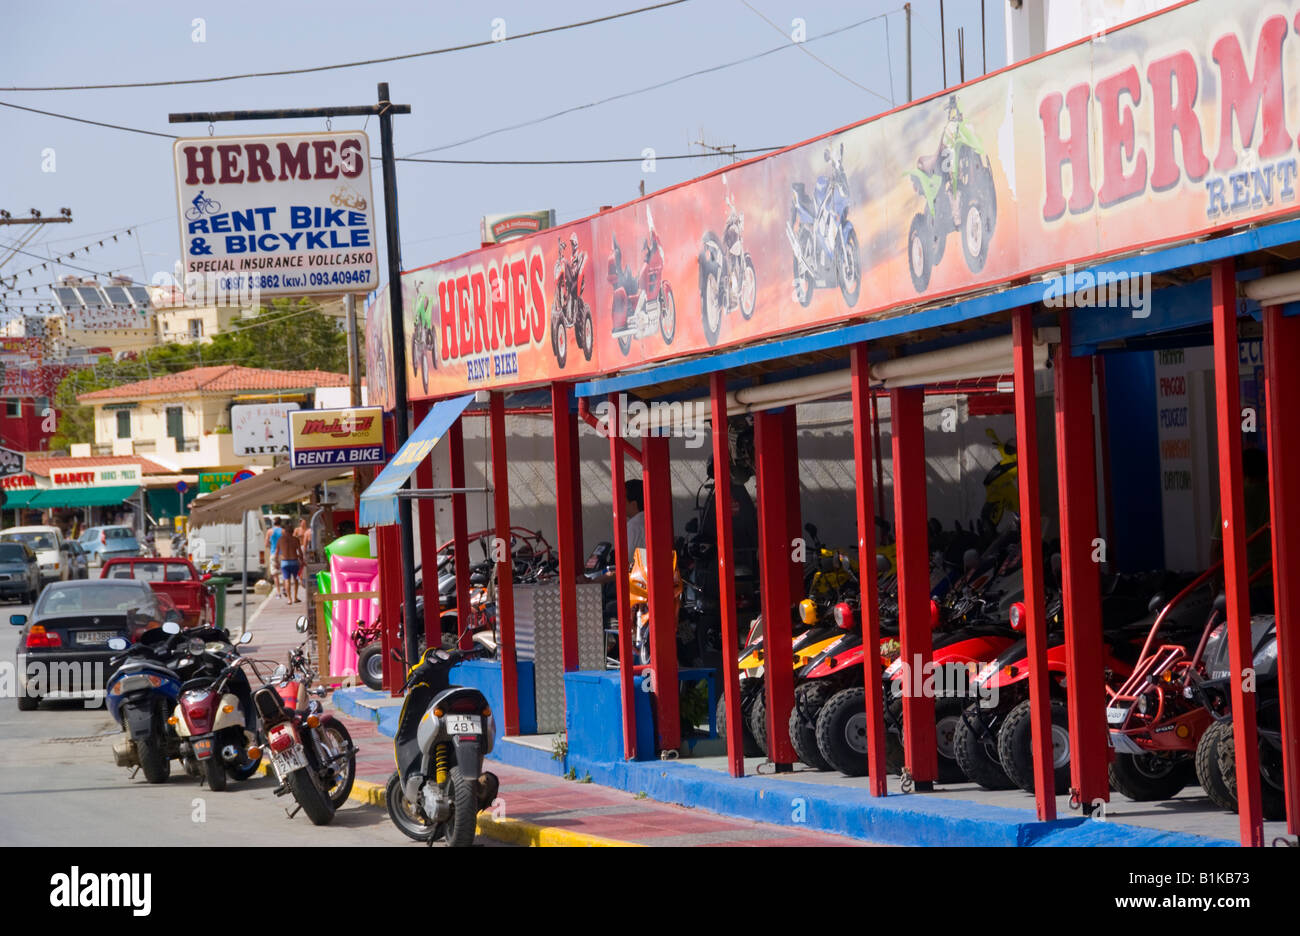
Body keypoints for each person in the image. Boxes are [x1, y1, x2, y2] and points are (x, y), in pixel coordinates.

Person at [276, 519, 304, 603]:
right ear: (292, 532)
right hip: (294, 561)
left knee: (286, 580)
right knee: (295, 579)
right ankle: (295, 597)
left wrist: (276, 562)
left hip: (284, 562)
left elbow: (276, 553)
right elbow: (300, 551)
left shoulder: (280, 540)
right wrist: (301, 560)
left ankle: (289, 599)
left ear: (285, 532)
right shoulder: (295, 540)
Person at [266, 519, 285, 598]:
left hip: (273, 553)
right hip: (283, 554)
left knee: (275, 574)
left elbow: (266, 543)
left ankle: (278, 592)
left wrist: (272, 547)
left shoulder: (269, 531)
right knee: (284, 573)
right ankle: (285, 588)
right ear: (281, 522)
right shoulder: (283, 531)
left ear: (274, 523)